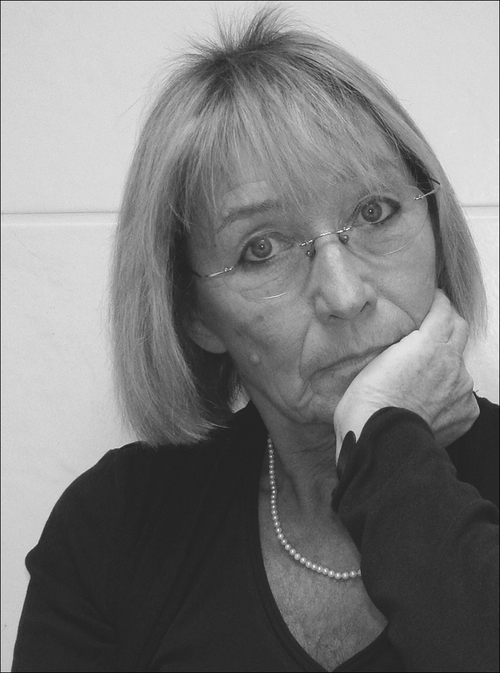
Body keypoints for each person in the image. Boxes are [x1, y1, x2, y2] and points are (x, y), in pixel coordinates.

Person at [12, 7, 498, 672]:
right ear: (195, 313)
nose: (344, 294)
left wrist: (385, 448)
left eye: (375, 211)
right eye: (262, 248)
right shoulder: (113, 528)